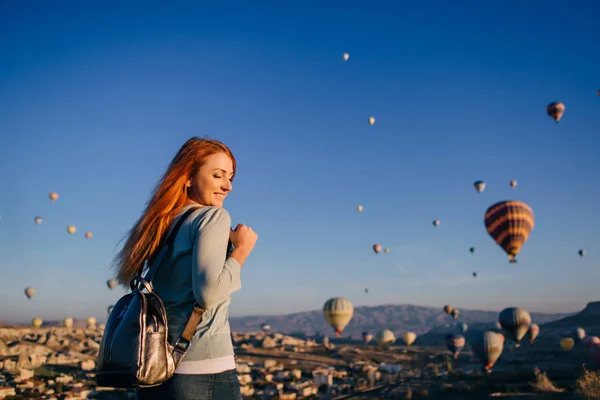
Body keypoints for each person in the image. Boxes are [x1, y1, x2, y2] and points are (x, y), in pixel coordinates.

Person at [112, 137, 258, 400]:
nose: (228, 186)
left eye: (231, 178)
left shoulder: (162, 223)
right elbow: (209, 294)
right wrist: (242, 250)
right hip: (205, 369)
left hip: (155, 368)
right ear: (188, 177)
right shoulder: (212, 217)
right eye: (218, 175)